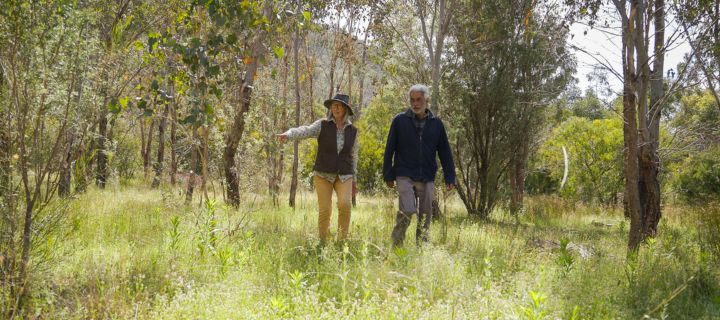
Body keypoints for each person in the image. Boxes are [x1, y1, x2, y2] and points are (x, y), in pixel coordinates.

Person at [277, 93, 358, 243]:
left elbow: (354, 156)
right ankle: (323, 242)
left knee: (345, 205)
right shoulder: (322, 124)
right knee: (325, 210)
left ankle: (342, 242)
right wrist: (289, 134)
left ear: (346, 109)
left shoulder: (352, 130)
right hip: (323, 174)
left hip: (344, 175)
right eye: (334, 105)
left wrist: (355, 180)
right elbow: (305, 130)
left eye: (340, 105)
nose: (336, 108)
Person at [383, 84, 456, 246]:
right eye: (412, 100)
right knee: (407, 210)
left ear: (426, 100)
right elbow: (389, 148)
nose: (415, 103)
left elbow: (445, 152)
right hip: (404, 173)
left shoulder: (436, 124)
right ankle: (397, 245)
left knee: (425, 216)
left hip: (427, 176)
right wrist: (388, 174)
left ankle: (422, 248)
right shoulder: (400, 121)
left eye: (419, 100)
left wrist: (450, 176)